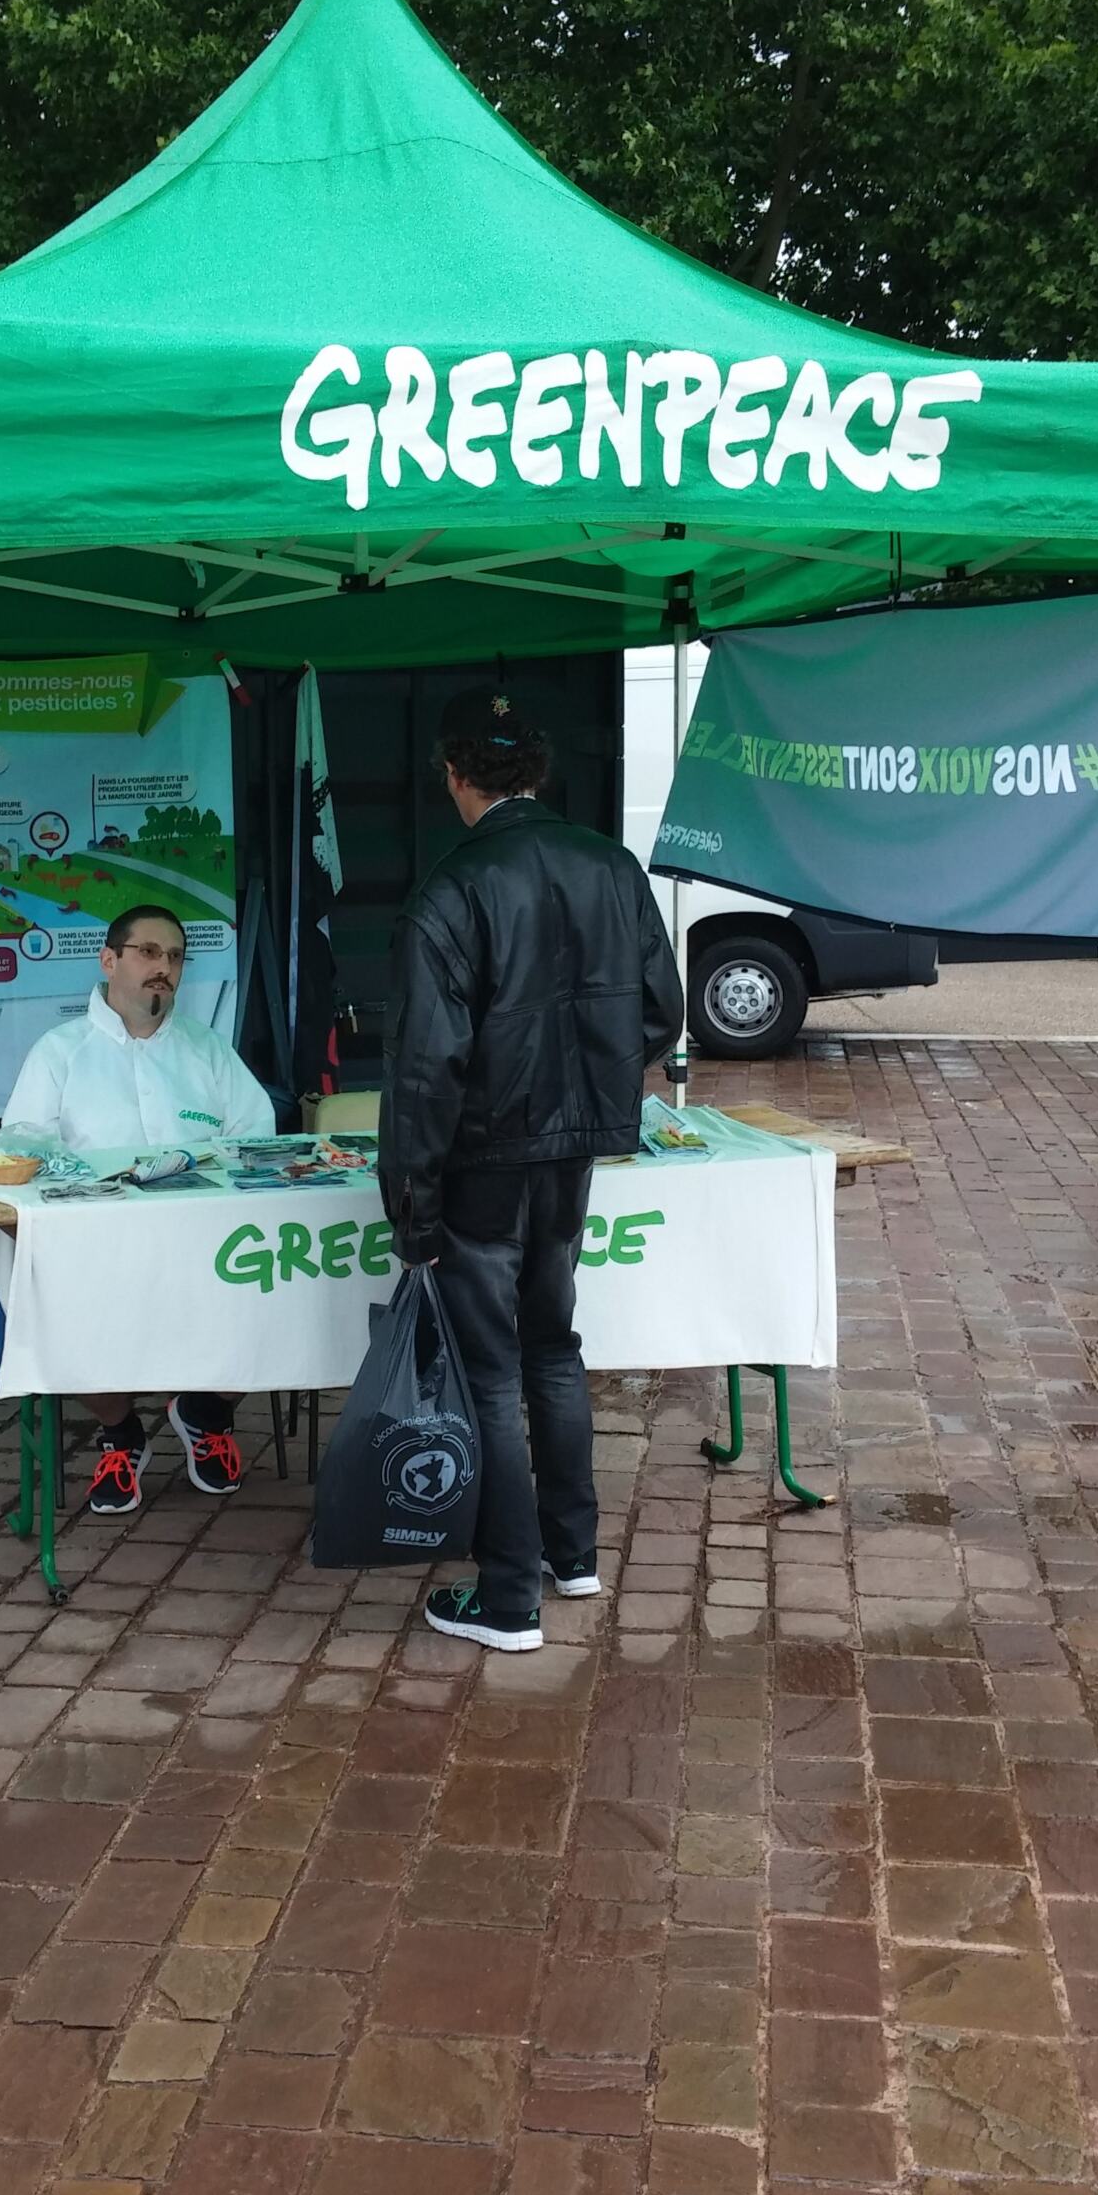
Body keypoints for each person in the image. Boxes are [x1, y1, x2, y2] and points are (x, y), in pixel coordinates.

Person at [380, 688, 683, 1651]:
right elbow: (659, 1012)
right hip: (570, 1152)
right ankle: (573, 1555)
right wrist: (581, 1091)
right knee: (552, 1346)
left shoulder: (452, 888)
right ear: (539, 774)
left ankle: (509, 1598)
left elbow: (426, 1070)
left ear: (456, 778)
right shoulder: (610, 866)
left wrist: (412, 1209)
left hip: (482, 1160)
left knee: (491, 1370)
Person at [0, 904, 274, 1515]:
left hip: (206, 1240)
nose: (164, 968)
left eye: (175, 957)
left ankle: (204, 1413)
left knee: (275, 1308)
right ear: (109, 960)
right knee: (61, 1322)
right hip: (97, 1245)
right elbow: (21, 1141)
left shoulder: (207, 1049)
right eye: (149, 952)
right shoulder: (60, 1051)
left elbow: (256, 1132)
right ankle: (121, 1434)